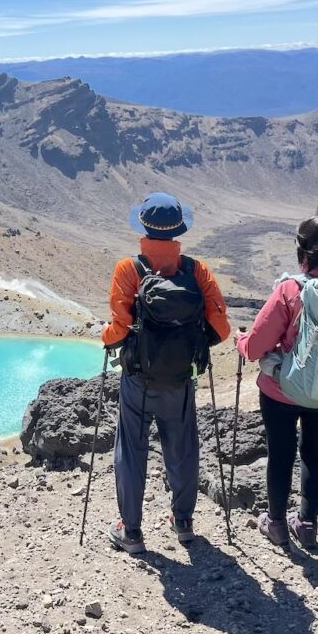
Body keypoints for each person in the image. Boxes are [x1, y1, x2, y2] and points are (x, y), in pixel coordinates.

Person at [103, 193, 231, 554]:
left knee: (131, 450)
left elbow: (121, 327)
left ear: (142, 226)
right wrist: (191, 342)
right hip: (180, 380)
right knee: (183, 449)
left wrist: (106, 336)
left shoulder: (129, 269)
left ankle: (131, 531)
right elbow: (221, 328)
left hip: (138, 379)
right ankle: (184, 522)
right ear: (179, 230)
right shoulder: (196, 271)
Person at [235, 206, 318, 549]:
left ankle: (277, 524)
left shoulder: (291, 291)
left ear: (305, 254)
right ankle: (307, 525)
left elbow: (256, 348)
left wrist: (240, 341)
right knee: (315, 453)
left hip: (282, 391)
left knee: (280, 454)